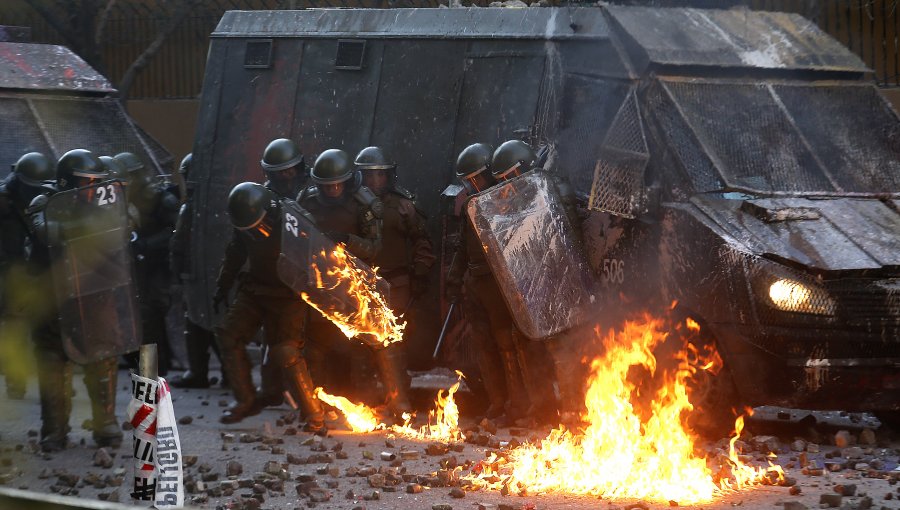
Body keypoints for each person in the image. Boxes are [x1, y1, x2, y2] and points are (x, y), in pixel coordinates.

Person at [299, 149, 413, 417]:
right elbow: (297, 239)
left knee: (381, 341)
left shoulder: (365, 204)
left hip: (359, 282)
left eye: (337, 184)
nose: (332, 190)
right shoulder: (308, 202)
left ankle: (399, 402)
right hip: (322, 282)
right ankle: (314, 405)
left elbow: (375, 248)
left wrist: (346, 240)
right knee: (315, 346)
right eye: (327, 186)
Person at [27, 149, 124, 451]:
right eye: (86, 181)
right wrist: (88, 227)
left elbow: (120, 229)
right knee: (52, 361)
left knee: (104, 357)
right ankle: (54, 429)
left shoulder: (105, 202)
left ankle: (105, 424)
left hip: (95, 292)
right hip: (54, 294)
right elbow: (46, 233)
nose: (92, 187)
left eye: (96, 181)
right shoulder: (44, 203)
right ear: (67, 182)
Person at [213, 182, 324, 432]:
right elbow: (235, 254)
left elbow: (318, 256)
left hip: (289, 293)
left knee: (286, 350)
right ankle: (246, 400)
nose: (255, 233)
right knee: (228, 333)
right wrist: (223, 286)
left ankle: (314, 415)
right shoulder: (246, 224)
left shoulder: (294, 219)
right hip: (256, 289)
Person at [446, 143, 529, 422]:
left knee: (507, 344)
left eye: (476, 179)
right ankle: (497, 402)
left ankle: (518, 405)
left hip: (498, 283)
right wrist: (455, 279)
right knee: (484, 345)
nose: (472, 185)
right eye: (467, 181)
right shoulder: (472, 204)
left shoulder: (504, 202)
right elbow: (462, 246)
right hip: (476, 282)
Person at [355, 146, 436, 407]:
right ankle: (367, 398)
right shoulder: (353, 204)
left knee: (393, 340)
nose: (375, 181)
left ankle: (400, 399)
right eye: (369, 176)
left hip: (395, 283)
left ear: (389, 176)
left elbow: (422, 240)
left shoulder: (404, 205)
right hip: (362, 282)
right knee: (362, 340)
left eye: (380, 175)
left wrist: (422, 272)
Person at [490, 140, 560, 420]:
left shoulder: (548, 194)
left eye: (510, 177)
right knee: (530, 347)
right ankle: (543, 407)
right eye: (502, 181)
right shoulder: (509, 207)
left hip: (554, 281)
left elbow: (566, 242)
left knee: (561, 351)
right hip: (528, 283)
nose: (507, 185)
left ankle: (574, 409)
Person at [114, 152, 180, 376]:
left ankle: (155, 366)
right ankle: (155, 361)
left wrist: (145, 244)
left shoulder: (161, 199)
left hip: (161, 265)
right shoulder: (128, 199)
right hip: (140, 265)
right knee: (144, 314)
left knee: (151, 314)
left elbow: (174, 232)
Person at [254, 138, 307, 405]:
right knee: (272, 335)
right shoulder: (263, 198)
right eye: (280, 172)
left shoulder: (311, 192)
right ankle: (271, 389)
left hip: (308, 273)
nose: (287, 176)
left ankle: (309, 391)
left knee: (304, 338)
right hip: (276, 273)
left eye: (291, 170)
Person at [0, 152, 55, 399]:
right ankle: (16, 381)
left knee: (43, 325)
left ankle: (53, 380)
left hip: (33, 268)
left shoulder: (46, 199)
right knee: (15, 325)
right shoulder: (4, 201)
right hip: (8, 270)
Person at [169, 154, 223, 389]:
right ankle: (215, 371)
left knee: (198, 322)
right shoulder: (219, 202)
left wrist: (177, 272)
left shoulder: (192, 207)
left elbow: (179, 243)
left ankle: (200, 372)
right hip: (212, 271)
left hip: (200, 272)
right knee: (210, 323)